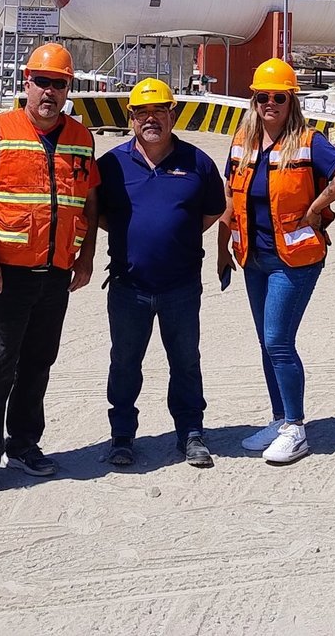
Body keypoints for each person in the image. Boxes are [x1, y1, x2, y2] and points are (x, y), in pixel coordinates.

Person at [0, 42, 100, 503]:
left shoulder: (82, 137)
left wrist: (85, 256)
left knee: (38, 363)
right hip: (5, 275)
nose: (50, 92)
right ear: (26, 82)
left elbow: (89, 199)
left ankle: (22, 445)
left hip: (55, 273)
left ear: (67, 89)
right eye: (42, 82)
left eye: (59, 84)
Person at [216, 57, 335, 465]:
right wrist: (221, 248)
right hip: (253, 258)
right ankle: (280, 419)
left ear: (291, 100)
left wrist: (317, 205)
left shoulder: (308, 141)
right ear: (254, 100)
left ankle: (296, 427)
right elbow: (230, 197)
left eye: (279, 97)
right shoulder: (242, 141)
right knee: (267, 341)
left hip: (294, 259)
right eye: (263, 97)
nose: (270, 104)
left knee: (279, 340)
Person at [97, 78, 227, 470]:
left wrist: (175, 235)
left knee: (185, 361)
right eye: (142, 112)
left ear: (173, 113)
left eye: (159, 111)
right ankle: (122, 436)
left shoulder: (198, 163)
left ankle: (191, 434)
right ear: (131, 118)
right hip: (128, 285)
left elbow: (211, 212)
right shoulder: (111, 165)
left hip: (181, 286)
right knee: (124, 363)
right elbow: (98, 215)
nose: (150, 119)